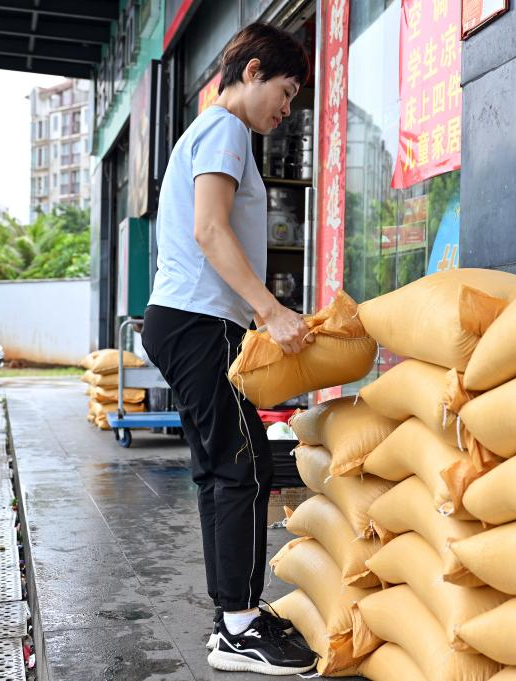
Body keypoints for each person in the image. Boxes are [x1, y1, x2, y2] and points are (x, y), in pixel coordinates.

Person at [141, 22, 318, 676]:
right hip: (194, 322)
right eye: (286, 88)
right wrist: (268, 312)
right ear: (249, 72)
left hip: (192, 321)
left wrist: (259, 315)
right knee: (239, 467)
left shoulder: (216, 132)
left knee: (232, 465)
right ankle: (238, 625)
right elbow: (210, 230)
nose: (288, 106)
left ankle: (235, 617)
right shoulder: (223, 130)